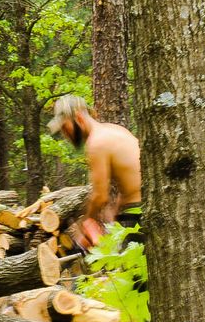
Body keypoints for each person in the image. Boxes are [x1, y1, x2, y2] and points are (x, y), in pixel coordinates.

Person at [48, 95, 143, 249]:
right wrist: (116, 208)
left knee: (133, 271)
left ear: (78, 117)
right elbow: (133, 176)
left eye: (65, 127)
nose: (65, 135)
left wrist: (86, 222)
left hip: (136, 215)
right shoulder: (114, 130)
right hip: (141, 207)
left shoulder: (96, 143)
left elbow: (100, 196)